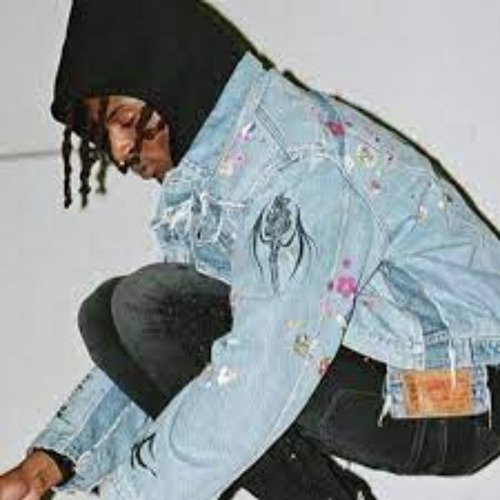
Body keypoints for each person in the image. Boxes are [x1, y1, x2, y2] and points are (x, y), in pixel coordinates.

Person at [1, 0, 500, 499]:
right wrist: (45, 467)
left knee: (153, 307)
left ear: (175, 77)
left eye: (127, 119)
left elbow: (264, 366)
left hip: (464, 393)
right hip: (392, 375)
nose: (119, 150)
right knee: (107, 313)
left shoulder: (297, 161)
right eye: (100, 134)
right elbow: (171, 358)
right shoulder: (214, 182)